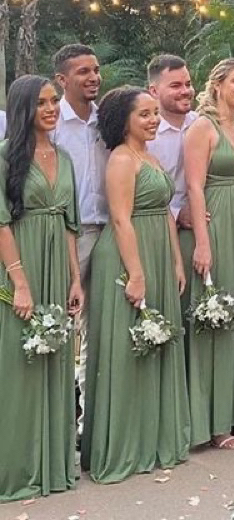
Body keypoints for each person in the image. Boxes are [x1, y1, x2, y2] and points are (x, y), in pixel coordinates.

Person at [81, 87, 190, 482]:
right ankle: (124, 442)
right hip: (130, 255)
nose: (153, 120)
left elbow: (163, 211)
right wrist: (137, 273)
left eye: (153, 113)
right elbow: (122, 218)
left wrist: (175, 261)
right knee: (128, 349)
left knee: (155, 346)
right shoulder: (122, 160)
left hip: (158, 254)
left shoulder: (152, 157)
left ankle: (154, 436)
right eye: (143, 114)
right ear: (122, 119)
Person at [0, 76, 82, 501]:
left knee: (55, 362)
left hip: (56, 266)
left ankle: (53, 465)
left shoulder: (64, 157)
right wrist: (20, 283)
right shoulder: (4, 157)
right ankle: (15, 467)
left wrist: (74, 278)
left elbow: (70, 221)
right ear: (23, 108)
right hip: (21, 267)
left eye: (54, 101)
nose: (51, 109)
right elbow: (1, 223)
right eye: (41, 103)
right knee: (18, 367)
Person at [183, 59, 234, 449]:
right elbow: (195, 187)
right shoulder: (202, 127)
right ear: (216, 85)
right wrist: (202, 241)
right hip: (213, 226)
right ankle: (213, 423)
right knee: (213, 320)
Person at [51, 43, 108, 435]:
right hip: (65, 237)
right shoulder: (51, 123)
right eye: (83, 71)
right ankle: (54, 427)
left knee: (98, 332)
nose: (93, 77)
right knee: (57, 327)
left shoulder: (109, 121)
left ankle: (89, 427)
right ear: (62, 80)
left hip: (107, 234)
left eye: (96, 70)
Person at [146, 54, 197, 223]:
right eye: (176, 86)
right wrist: (177, 214)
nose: (185, 91)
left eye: (188, 84)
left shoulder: (202, 124)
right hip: (157, 225)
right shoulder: (145, 135)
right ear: (154, 91)